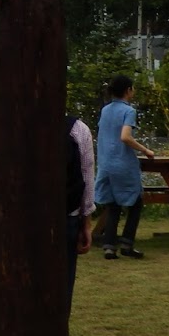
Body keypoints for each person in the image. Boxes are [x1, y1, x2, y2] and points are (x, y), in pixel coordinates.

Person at [94, 75, 155, 259]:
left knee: (112, 205)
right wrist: (145, 150)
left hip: (105, 163)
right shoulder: (128, 111)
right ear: (128, 90)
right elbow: (125, 137)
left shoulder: (105, 110)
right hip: (122, 163)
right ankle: (127, 244)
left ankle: (109, 246)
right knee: (135, 202)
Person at [67, 111, 95, 304]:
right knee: (61, 285)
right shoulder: (77, 129)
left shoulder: (9, 124)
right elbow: (87, 179)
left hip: (18, 221)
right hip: (65, 217)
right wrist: (86, 223)